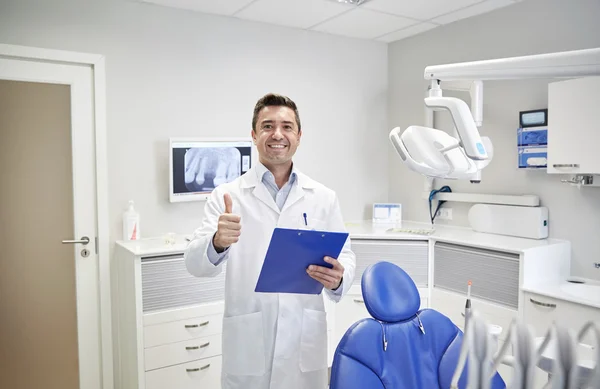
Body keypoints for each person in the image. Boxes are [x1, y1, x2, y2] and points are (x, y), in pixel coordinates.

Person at [184, 93, 356, 389]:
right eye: (267, 126)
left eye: (287, 127)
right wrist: (217, 242)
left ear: (299, 136)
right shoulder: (228, 196)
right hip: (250, 339)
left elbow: (347, 256)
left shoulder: (323, 197)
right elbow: (194, 264)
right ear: (254, 135)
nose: (278, 134)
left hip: (304, 340)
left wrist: (340, 277)